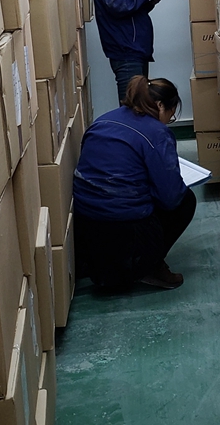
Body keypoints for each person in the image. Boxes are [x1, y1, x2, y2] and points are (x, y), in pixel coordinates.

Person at [73, 75, 197, 291]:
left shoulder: (102, 121)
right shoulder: (156, 133)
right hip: (125, 223)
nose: (168, 120)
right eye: (171, 114)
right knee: (185, 200)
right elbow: (170, 197)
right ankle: (149, 266)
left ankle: (98, 264)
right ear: (160, 106)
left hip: (84, 220)